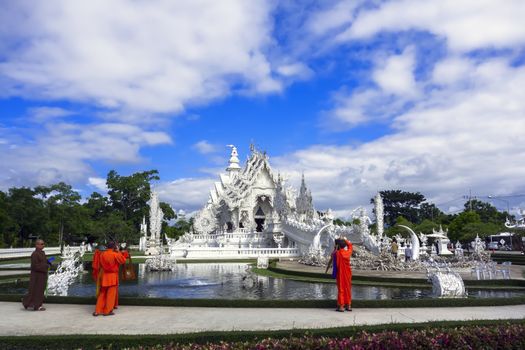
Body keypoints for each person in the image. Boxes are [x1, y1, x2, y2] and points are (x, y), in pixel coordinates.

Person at [93, 241, 126, 316]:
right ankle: (107, 311)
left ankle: (97, 311)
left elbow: (100, 264)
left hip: (104, 275)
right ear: (114, 247)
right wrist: (118, 252)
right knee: (111, 295)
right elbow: (123, 260)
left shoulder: (102, 254)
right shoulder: (115, 254)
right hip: (112, 276)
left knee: (102, 293)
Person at [22, 239, 50, 311]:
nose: (43, 245)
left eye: (43, 244)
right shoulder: (35, 254)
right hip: (36, 276)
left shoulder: (42, 253)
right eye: (42, 244)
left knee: (40, 290)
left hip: (42, 275)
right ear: (37, 245)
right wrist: (45, 266)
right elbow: (35, 266)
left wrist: (49, 262)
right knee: (36, 290)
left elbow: (44, 261)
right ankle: (37, 306)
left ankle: (30, 303)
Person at [335, 237, 353, 312]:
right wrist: (345, 239)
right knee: (347, 289)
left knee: (341, 289)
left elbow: (333, 253)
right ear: (344, 245)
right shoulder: (348, 252)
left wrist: (337, 244)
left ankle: (341, 306)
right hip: (348, 273)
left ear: (338, 245)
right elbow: (350, 246)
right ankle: (348, 305)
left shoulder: (337, 253)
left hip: (340, 273)